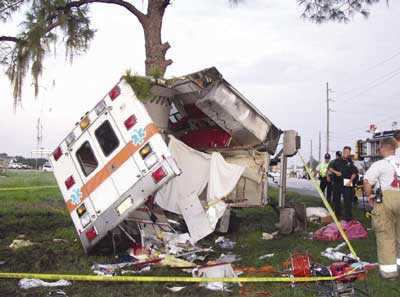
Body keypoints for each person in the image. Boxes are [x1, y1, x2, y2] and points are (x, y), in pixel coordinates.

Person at [363, 138, 400, 279]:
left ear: (383, 148)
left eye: (379, 148)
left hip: (386, 199)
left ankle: (389, 273)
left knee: (386, 235)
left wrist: (369, 196)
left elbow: (367, 181)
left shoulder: (380, 164)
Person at [329, 147, 358, 221]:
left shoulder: (350, 162)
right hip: (337, 182)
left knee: (348, 200)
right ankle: (337, 216)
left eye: (348, 152)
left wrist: (350, 181)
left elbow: (354, 173)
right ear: (343, 152)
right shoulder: (336, 161)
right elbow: (330, 169)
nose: (347, 153)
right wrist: (336, 172)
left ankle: (348, 217)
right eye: (345, 152)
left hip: (347, 182)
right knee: (336, 200)